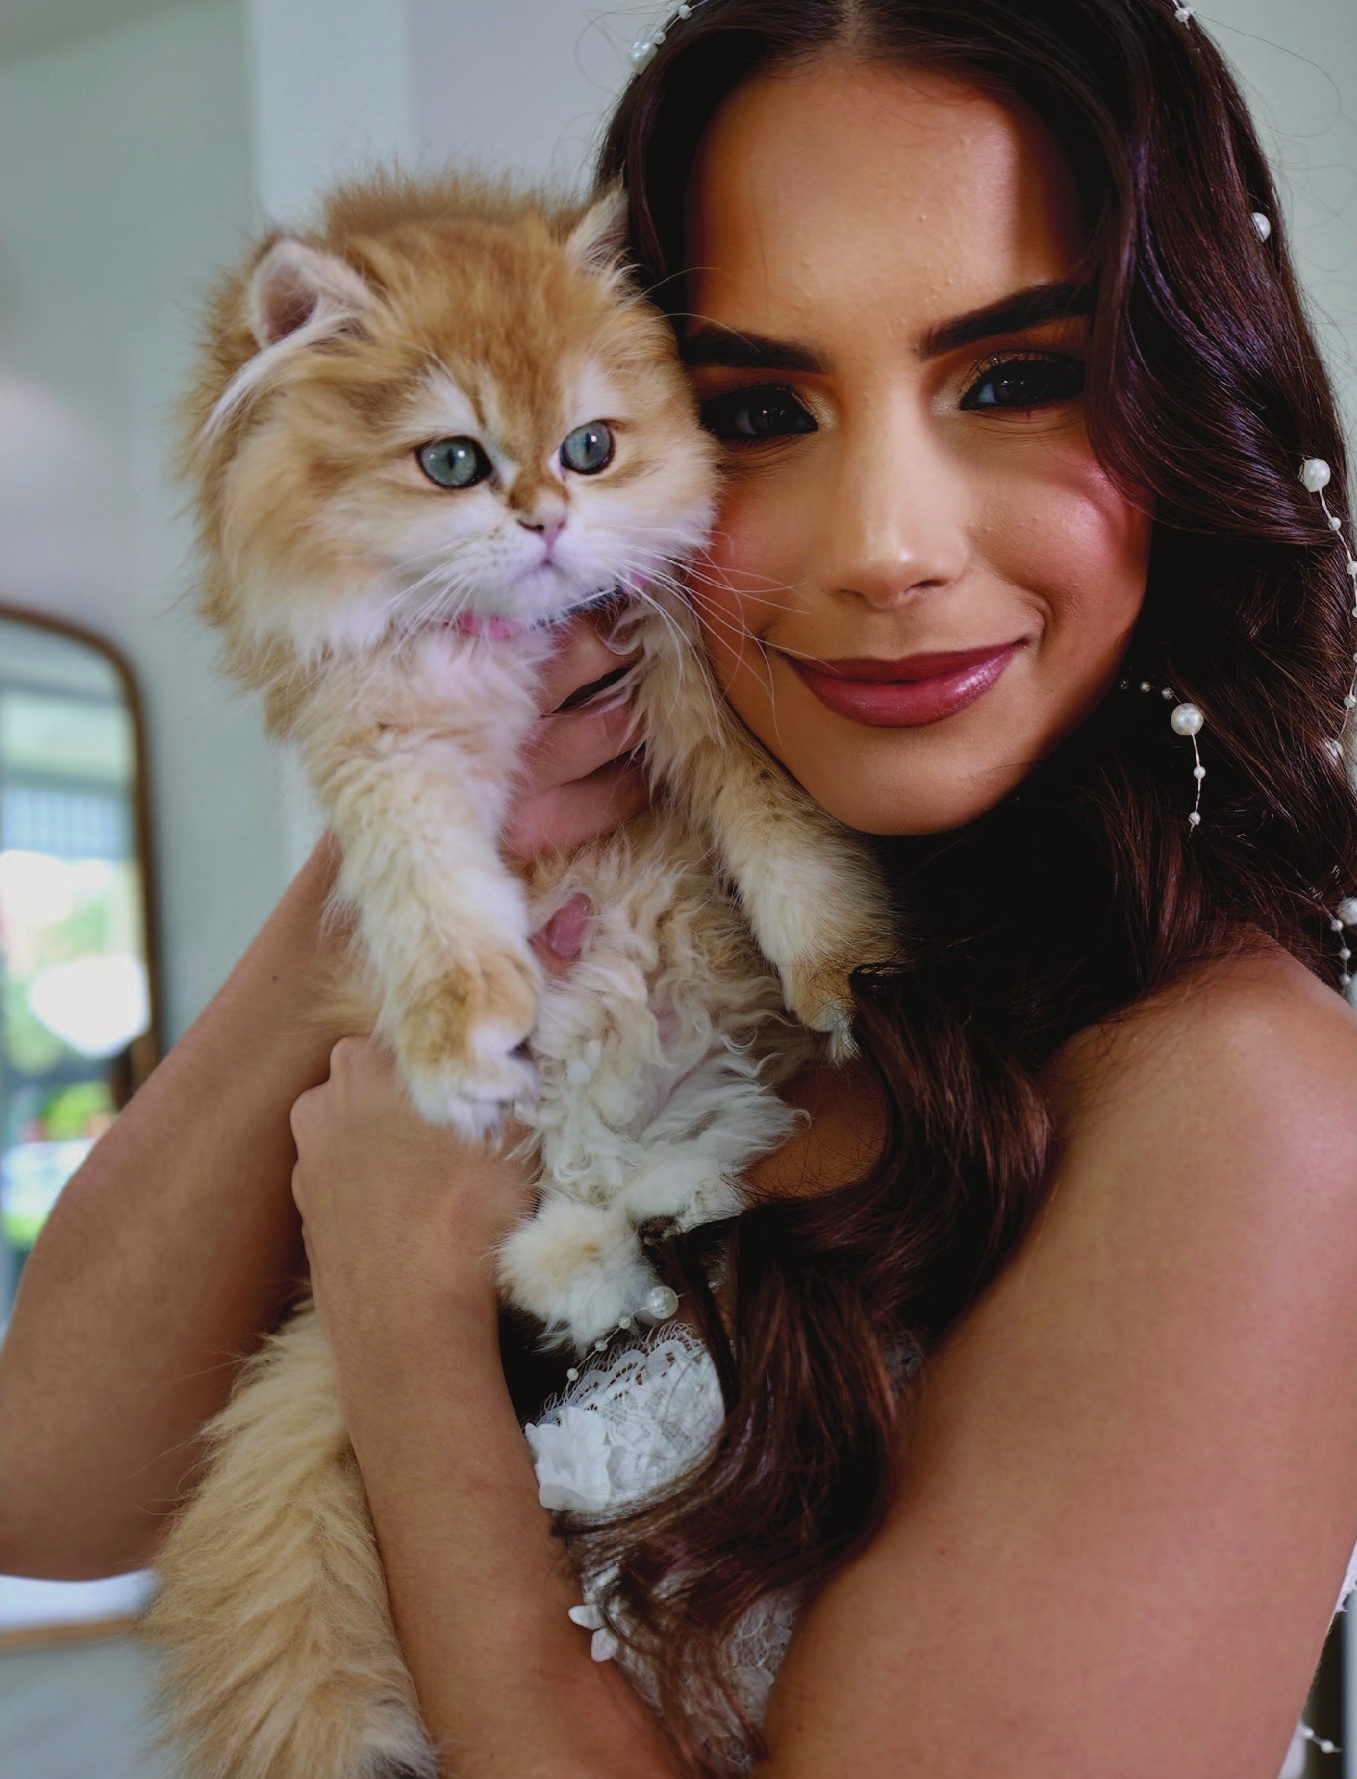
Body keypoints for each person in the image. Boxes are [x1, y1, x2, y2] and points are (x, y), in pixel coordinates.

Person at [3, 1, 1355, 1773]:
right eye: (756, 406)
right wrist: (422, 818)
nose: (885, 547)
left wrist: (413, 1338)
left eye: (1015, 379)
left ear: (1190, 409)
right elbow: (47, 1484)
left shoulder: (1241, 1103)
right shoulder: (647, 869)